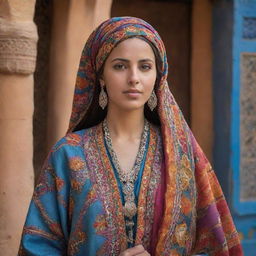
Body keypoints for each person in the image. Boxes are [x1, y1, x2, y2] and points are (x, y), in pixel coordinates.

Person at [18, 16, 243, 256]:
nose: (134, 77)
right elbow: (38, 248)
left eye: (145, 67)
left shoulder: (183, 155)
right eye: (120, 66)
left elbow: (214, 248)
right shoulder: (69, 154)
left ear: (158, 76)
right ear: (101, 76)